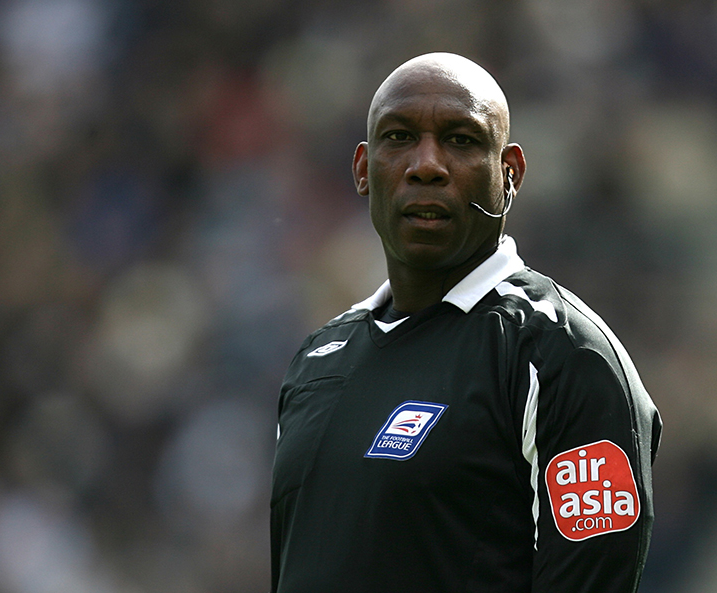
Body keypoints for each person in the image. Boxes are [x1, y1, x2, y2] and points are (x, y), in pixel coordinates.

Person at [271, 52, 662, 592]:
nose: (426, 164)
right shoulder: (315, 363)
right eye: (399, 137)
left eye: (461, 140)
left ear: (511, 174)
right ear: (363, 169)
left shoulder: (562, 355)